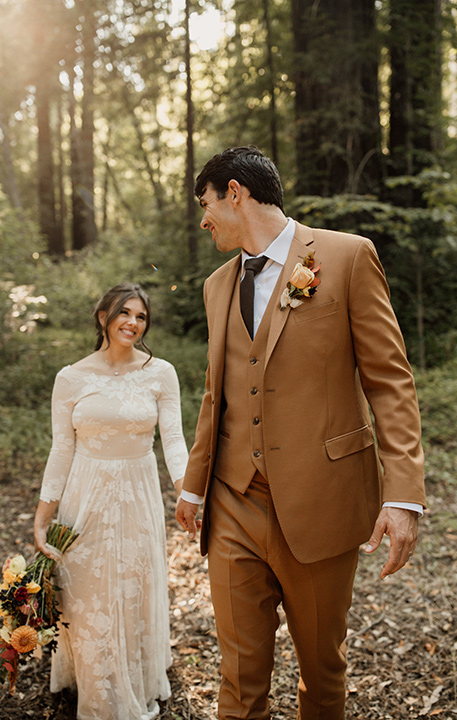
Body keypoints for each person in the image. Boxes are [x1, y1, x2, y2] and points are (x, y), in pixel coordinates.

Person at [175, 146, 426, 720]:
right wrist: (194, 486)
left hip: (322, 498)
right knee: (238, 678)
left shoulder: (346, 257)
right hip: (233, 501)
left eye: (207, 204)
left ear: (234, 191)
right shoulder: (217, 285)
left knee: (321, 672)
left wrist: (403, 494)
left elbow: (389, 381)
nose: (204, 219)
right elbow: (218, 393)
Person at [34, 282, 189, 720]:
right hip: (85, 494)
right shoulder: (71, 377)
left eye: (141, 317)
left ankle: (129, 683)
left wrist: (187, 492)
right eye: (125, 313)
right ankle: (96, 683)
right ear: (104, 316)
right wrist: (43, 515)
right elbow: (61, 449)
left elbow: (174, 440)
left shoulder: (161, 373)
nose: (133, 323)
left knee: (130, 588)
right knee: (87, 591)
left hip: (138, 493)